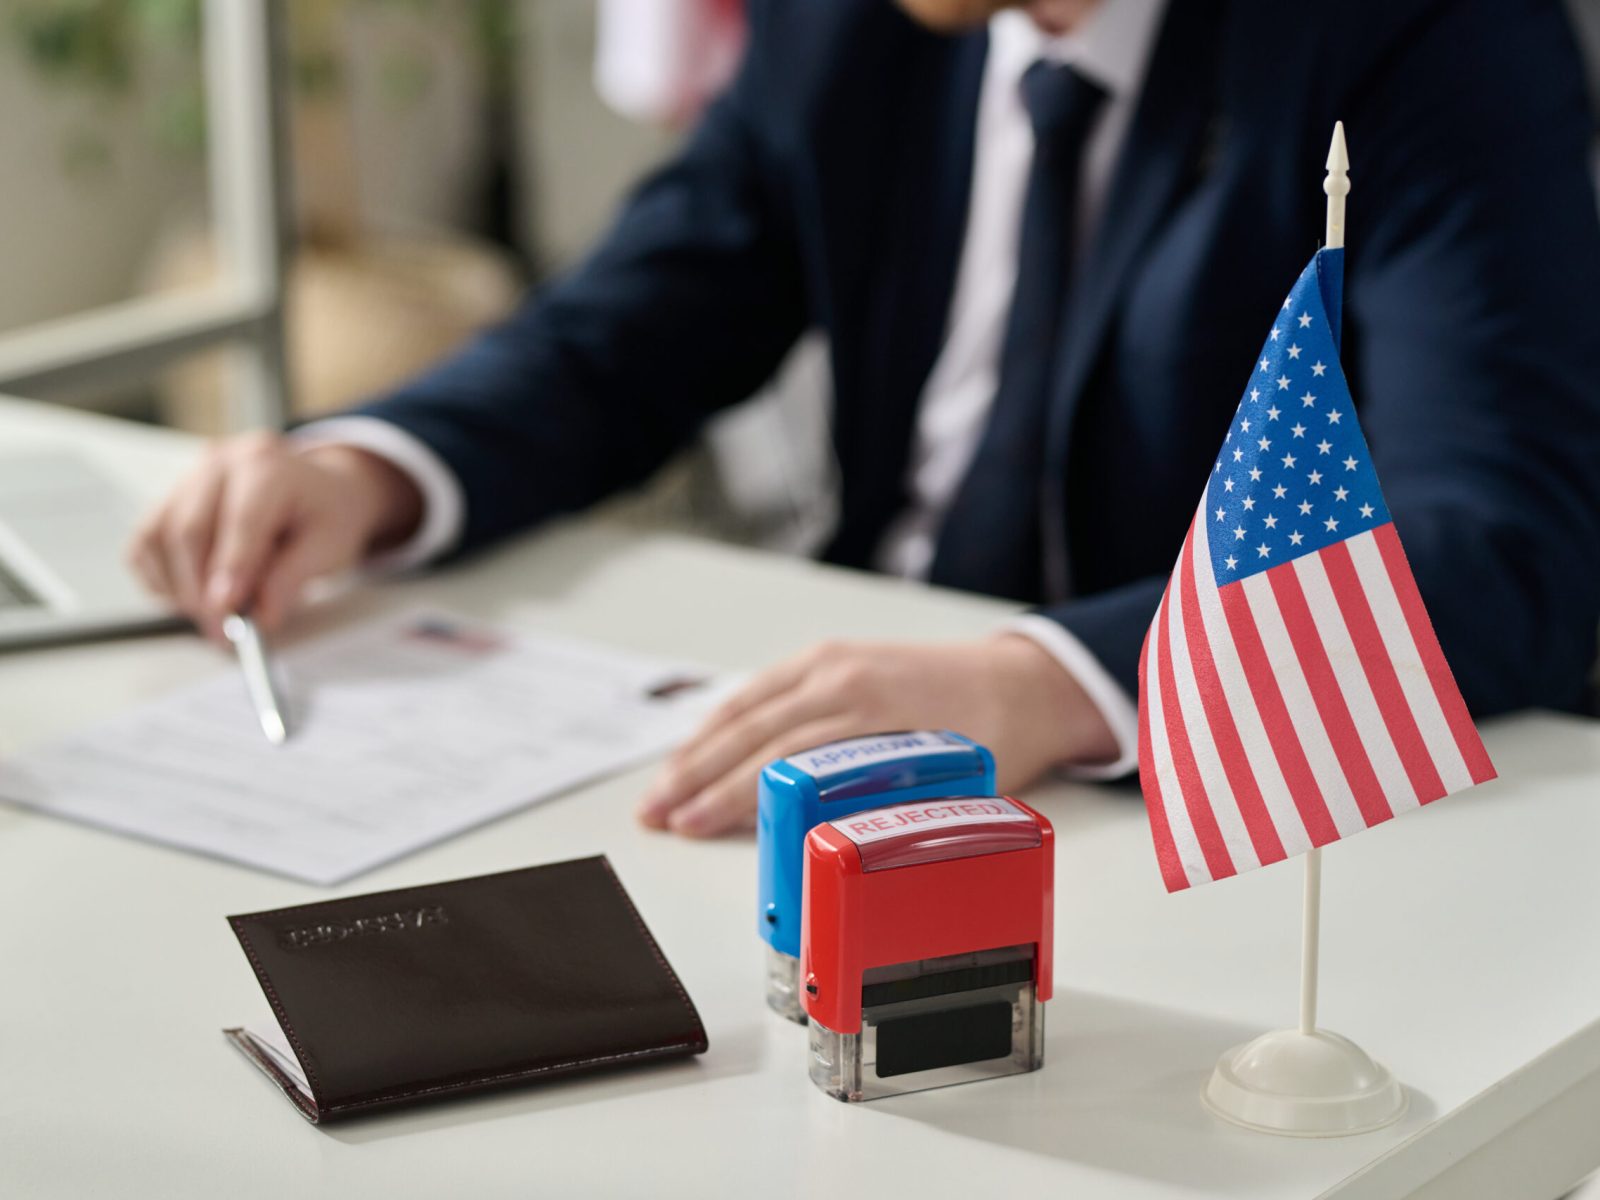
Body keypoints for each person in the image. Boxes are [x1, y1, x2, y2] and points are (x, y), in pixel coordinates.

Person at [130, 0, 1600, 838]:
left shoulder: (1429, 35)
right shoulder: (865, 27)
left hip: (1180, 808)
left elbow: (1502, 543)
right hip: (827, 747)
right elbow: (637, 320)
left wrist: (1041, 681)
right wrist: (366, 469)